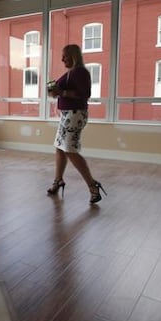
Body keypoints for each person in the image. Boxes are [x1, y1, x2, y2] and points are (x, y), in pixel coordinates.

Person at [46, 44, 107, 204]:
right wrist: (54, 90)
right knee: (60, 148)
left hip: (74, 115)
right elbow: (59, 90)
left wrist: (61, 92)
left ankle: (93, 186)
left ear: (73, 56)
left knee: (70, 150)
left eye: (65, 56)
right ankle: (58, 180)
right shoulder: (71, 72)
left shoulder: (80, 72)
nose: (62, 59)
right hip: (67, 115)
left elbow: (85, 94)